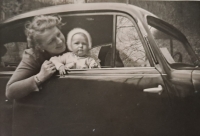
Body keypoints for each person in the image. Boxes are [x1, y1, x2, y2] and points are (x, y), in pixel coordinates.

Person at [6, 15, 67, 100]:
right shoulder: (33, 56)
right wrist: (40, 77)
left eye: (58, 34)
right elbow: (10, 91)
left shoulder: (73, 42)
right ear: (40, 47)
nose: (60, 41)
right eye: (51, 41)